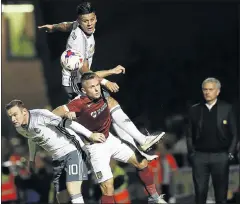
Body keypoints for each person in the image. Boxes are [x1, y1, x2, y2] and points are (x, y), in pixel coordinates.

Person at [38, 1, 165, 154]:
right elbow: (85, 72)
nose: (90, 23)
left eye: (91, 19)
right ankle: (139, 140)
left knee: (109, 110)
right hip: (77, 84)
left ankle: (135, 143)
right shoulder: (79, 40)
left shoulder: (78, 26)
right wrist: (105, 81)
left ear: (95, 18)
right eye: (86, 21)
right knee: (109, 105)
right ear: (80, 21)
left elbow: (67, 25)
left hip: (78, 81)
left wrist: (53, 27)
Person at [52, 72, 167, 203]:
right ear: (84, 90)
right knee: (108, 187)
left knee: (141, 162)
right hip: (95, 148)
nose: (96, 89)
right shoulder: (78, 103)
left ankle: (154, 198)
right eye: (92, 87)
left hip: (110, 139)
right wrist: (66, 114)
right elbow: (53, 113)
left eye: (97, 86)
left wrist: (108, 80)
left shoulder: (102, 94)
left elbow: (96, 75)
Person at [5, 99, 106, 204]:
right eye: (10, 116)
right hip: (58, 157)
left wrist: (90, 135)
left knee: (73, 188)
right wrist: (32, 159)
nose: (13, 119)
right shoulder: (20, 128)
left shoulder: (40, 116)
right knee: (60, 196)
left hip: (72, 149)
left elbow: (68, 123)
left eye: (15, 115)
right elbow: (31, 139)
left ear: (24, 111)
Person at [186, 77, 238, 204]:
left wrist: (230, 153)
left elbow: (235, 134)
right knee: (200, 192)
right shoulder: (195, 109)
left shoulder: (227, 108)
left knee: (221, 193)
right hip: (200, 156)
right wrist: (192, 153)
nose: (207, 92)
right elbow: (189, 134)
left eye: (210, 89)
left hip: (221, 155)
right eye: (205, 89)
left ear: (218, 91)